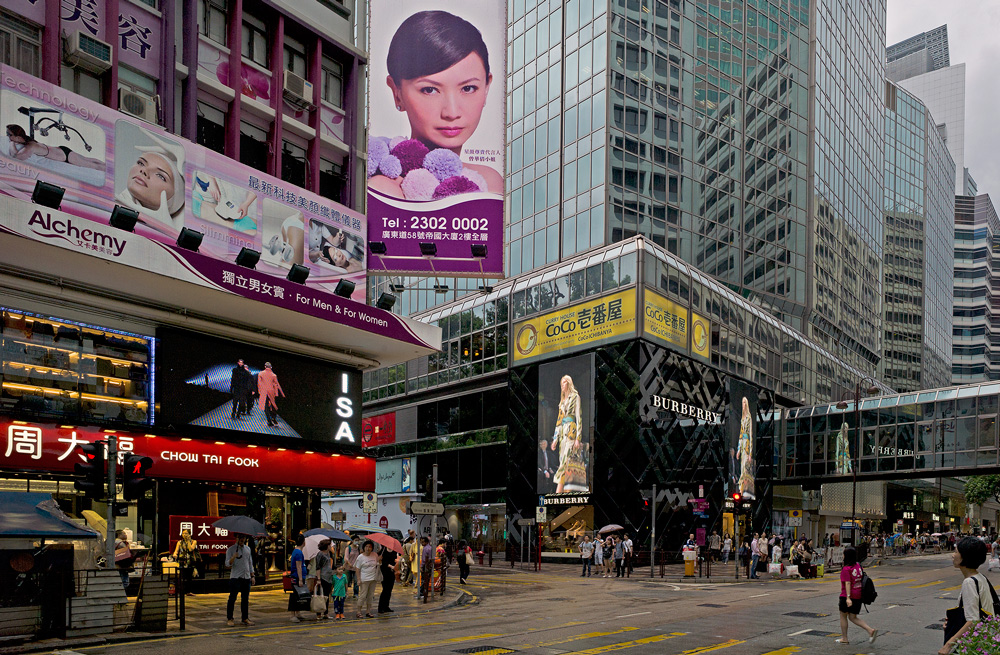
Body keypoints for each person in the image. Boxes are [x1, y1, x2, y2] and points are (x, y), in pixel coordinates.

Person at [369, 10, 502, 198]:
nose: (452, 112)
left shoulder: (489, 181)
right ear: (397, 93)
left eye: (468, 88)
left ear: (486, 87)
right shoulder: (385, 188)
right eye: (430, 90)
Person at [940, 537, 995, 654]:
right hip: (986, 640)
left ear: (965, 556)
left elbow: (973, 621)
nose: (953, 555)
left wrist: (948, 645)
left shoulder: (969, 582)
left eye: (956, 552)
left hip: (974, 645)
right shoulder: (980, 577)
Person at [6, 124, 104, 170]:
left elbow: (17, 157)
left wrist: (11, 144)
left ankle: (109, 170)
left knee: (93, 166)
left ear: (18, 137)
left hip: (65, 156)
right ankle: (108, 167)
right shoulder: (29, 142)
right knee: (88, 160)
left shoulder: (30, 146)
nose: (8, 137)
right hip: (62, 151)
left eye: (9, 134)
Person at [550, 375, 587, 493]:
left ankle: (558, 491)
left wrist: (578, 438)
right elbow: (558, 421)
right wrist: (555, 439)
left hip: (571, 432)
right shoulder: (561, 402)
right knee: (563, 462)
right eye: (561, 383)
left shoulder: (575, 397)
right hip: (562, 436)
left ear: (569, 383)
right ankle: (564, 492)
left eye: (565, 382)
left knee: (565, 462)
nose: (562, 385)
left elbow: (578, 418)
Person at [837, 546, 878, 645]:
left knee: (843, 616)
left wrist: (847, 597)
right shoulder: (858, 566)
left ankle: (844, 638)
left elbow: (847, 583)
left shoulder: (846, 569)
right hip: (858, 595)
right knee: (853, 617)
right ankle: (870, 630)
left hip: (848, 595)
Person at [225, 534, 256, 626]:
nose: (242, 540)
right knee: (232, 598)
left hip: (246, 577)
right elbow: (227, 564)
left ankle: (245, 618)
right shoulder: (231, 549)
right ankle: (230, 618)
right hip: (235, 578)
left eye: (244, 538)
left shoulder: (248, 549)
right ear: (236, 538)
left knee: (245, 599)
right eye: (240, 538)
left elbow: (250, 563)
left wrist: (252, 575)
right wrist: (233, 557)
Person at [354, 540, 380, 618]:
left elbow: (377, 564)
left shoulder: (375, 555)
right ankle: (359, 611)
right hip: (364, 579)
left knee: (370, 596)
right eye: (366, 547)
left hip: (373, 579)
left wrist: (380, 560)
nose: (368, 548)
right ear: (364, 547)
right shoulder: (360, 557)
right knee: (362, 595)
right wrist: (358, 579)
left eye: (370, 547)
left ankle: (368, 611)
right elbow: (357, 569)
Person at [256, 362, 285, 428]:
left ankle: (269, 421)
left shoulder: (260, 373)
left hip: (264, 392)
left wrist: (260, 392)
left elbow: (259, 384)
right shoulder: (274, 375)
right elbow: (277, 385)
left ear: (265, 366)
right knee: (273, 404)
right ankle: (273, 417)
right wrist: (281, 393)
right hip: (271, 392)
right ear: (271, 367)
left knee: (266, 406)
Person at [287, 533, 308, 623]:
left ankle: (298, 613)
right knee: (295, 596)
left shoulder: (296, 551)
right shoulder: (298, 553)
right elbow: (298, 566)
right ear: (303, 542)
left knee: (298, 596)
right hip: (297, 577)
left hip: (298, 576)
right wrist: (300, 579)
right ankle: (293, 615)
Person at [172, 528, 199, 594]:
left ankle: (189, 591)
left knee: (189, 577)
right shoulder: (179, 542)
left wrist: (189, 541)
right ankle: (182, 591)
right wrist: (175, 554)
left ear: (190, 534)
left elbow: (190, 549)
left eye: (186, 533)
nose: (184, 535)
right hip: (182, 561)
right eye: (183, 533)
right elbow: (176, 551)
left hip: (190, 561)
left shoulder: (194, 541)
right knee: (182, 576)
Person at [314, 539, 334, 620]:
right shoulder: (320, 554)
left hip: (329, 576)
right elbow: (318, 567)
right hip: (322, 577)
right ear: (326, 546)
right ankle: (319, 613)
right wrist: (318, 579)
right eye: (329, 545)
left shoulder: (328, 553)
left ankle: (326, 612)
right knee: (320, 595)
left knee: (326, 596)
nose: (331, 547)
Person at [378, 544, 398, 614]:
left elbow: (395, 560)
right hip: (384, 572)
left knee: (389, 590)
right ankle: (381, 607)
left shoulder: (394, 551)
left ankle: (386, 606)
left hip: (392, 572)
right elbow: (381, 562)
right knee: (385, 589)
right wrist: (389, 565)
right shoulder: (383, 551)